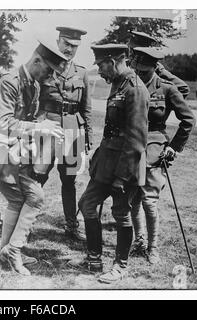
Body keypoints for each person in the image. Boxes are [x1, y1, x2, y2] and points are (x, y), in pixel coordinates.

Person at [0, 40, 67, 276]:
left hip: (13, 151)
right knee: (35, 197)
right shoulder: (9, 83)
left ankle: (8, 250)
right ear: (36, 61)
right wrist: (38, 127)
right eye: (48, 70)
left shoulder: (32, 83)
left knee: (20, 199)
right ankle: (13, 251)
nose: (50, 76)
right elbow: (4, 124)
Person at [68, 44, 149, 284]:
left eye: (101, 65)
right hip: (107, 162)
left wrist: (122, 177)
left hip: (126, 166)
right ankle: (94, 259)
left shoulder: (135, 89)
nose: (100, 72)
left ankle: (120, 266)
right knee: (87, 203)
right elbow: (112, 130)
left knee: (121, 214)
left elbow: (136, 140)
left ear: (113, 61)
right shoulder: (118, 82)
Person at [129, 47, 196, 263]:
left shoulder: (167, 89)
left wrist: (174, 147)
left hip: (154, 149)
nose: (140, 72)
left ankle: (153, 247)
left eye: (145, 69)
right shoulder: (130, 84)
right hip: (130, 148)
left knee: (149, 200)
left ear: (154, 66)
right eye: (137, 67)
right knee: (132, 199)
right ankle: (138, 241)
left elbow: (188, 120)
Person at [36, 26, 93, 241]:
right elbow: (34, 100)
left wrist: (87, 137)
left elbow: (86, 109)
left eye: (75, 46)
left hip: (72, 131)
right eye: (67, 44)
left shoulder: (82, 72)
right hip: (48, 128)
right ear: (58, 41)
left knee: (69, 181)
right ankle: (27, 221)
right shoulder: (45, 67)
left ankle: (71, 225)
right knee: (38, 177)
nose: (70, 49)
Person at [127, 31, 190, 99]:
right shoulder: (126, 64)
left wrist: (159, 103)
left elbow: (183, 88)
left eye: (133, 51)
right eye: (130, 49)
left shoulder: (155, 67)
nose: (130, 53)